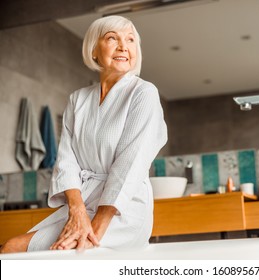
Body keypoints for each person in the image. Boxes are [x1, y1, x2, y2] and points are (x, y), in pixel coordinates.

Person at [0, 15, 167, 253]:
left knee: (19, 249)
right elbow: (67, 161)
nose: (123, 46)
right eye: (112, 38)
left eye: (130, 40)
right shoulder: (78, 99)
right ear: (94, 50)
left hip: (122, 211)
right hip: (83, 206)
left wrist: (96, 227)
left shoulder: (143, 93)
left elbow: (130, 164)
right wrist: (77, 213)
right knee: (10, 247)